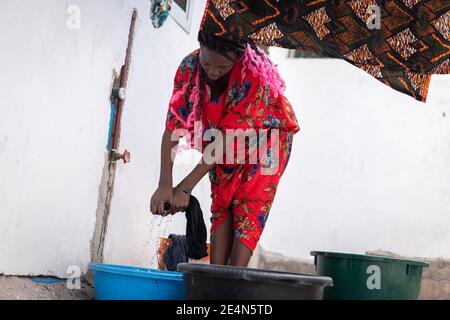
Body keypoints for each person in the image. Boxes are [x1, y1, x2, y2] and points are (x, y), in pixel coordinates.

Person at [150, 30, 300, 267]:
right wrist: (165, 184)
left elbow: (223, 142)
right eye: (208, 63)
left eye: (223, 67)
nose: (213, 71)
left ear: (237, 59)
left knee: (249, 205)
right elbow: (173, 124)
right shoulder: (189, 67)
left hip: (268, 138)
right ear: (200, 47)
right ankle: (215, 281)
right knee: (222, 202)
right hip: (221, 140)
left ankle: (234, 281)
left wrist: (185, 188)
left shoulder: (253, 77)